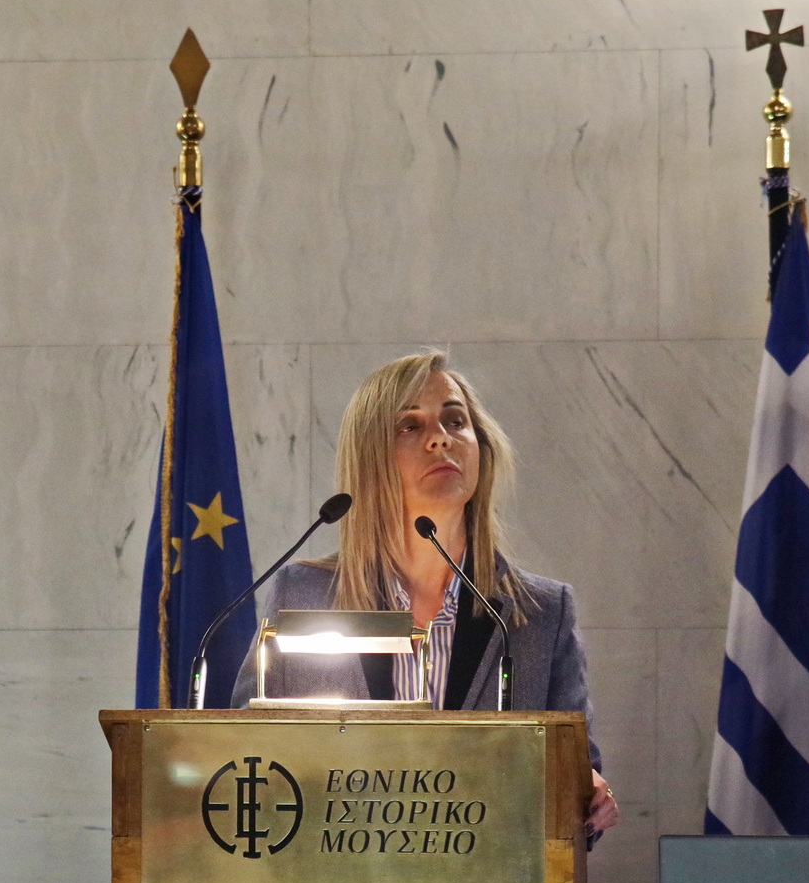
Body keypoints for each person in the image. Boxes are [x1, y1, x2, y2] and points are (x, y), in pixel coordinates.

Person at [232, 350, 619, 837]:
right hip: (335, 877)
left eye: (455, 421)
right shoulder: (305, 595)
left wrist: (590, 798)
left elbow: (578, 790)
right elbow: (245, 762)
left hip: (489, 881)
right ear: (370, 458)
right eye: (409, 426)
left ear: (482, 450)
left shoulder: (540, 613)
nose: (440, 438)